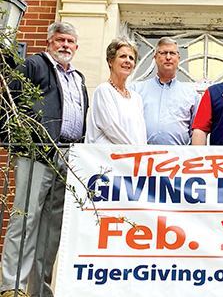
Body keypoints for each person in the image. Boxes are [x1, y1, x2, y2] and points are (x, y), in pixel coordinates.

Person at [1, 22, 89, 297]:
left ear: (76, 46)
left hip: (67, 156)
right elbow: (10, 101)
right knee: (25, 220)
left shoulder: (78, 78)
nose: (65, 45)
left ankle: (39, 289)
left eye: (70, 41)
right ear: (49, 42)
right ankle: (12, 286)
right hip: (37, 152)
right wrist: (22, 139)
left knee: (52, 229)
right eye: (60, 40)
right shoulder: (34, 65)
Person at [129, 37, 199, 145]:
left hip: (179, 158)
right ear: (155, 58)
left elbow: (196, 132)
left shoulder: (191, 95)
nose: (168, 57)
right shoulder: (136, 90)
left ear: (178, 58)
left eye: (172, 53)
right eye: (163, 53)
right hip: (143, 157)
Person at [85, 36, 146, 144]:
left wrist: (143, 156)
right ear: (110, 61)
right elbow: (112, 128)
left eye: (131, 58)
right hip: (108, 158)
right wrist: (135, 151)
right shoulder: (104, 90)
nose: (128, 61)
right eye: (122, 56)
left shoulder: (137, 98)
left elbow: (141, 134)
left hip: (133, 158)